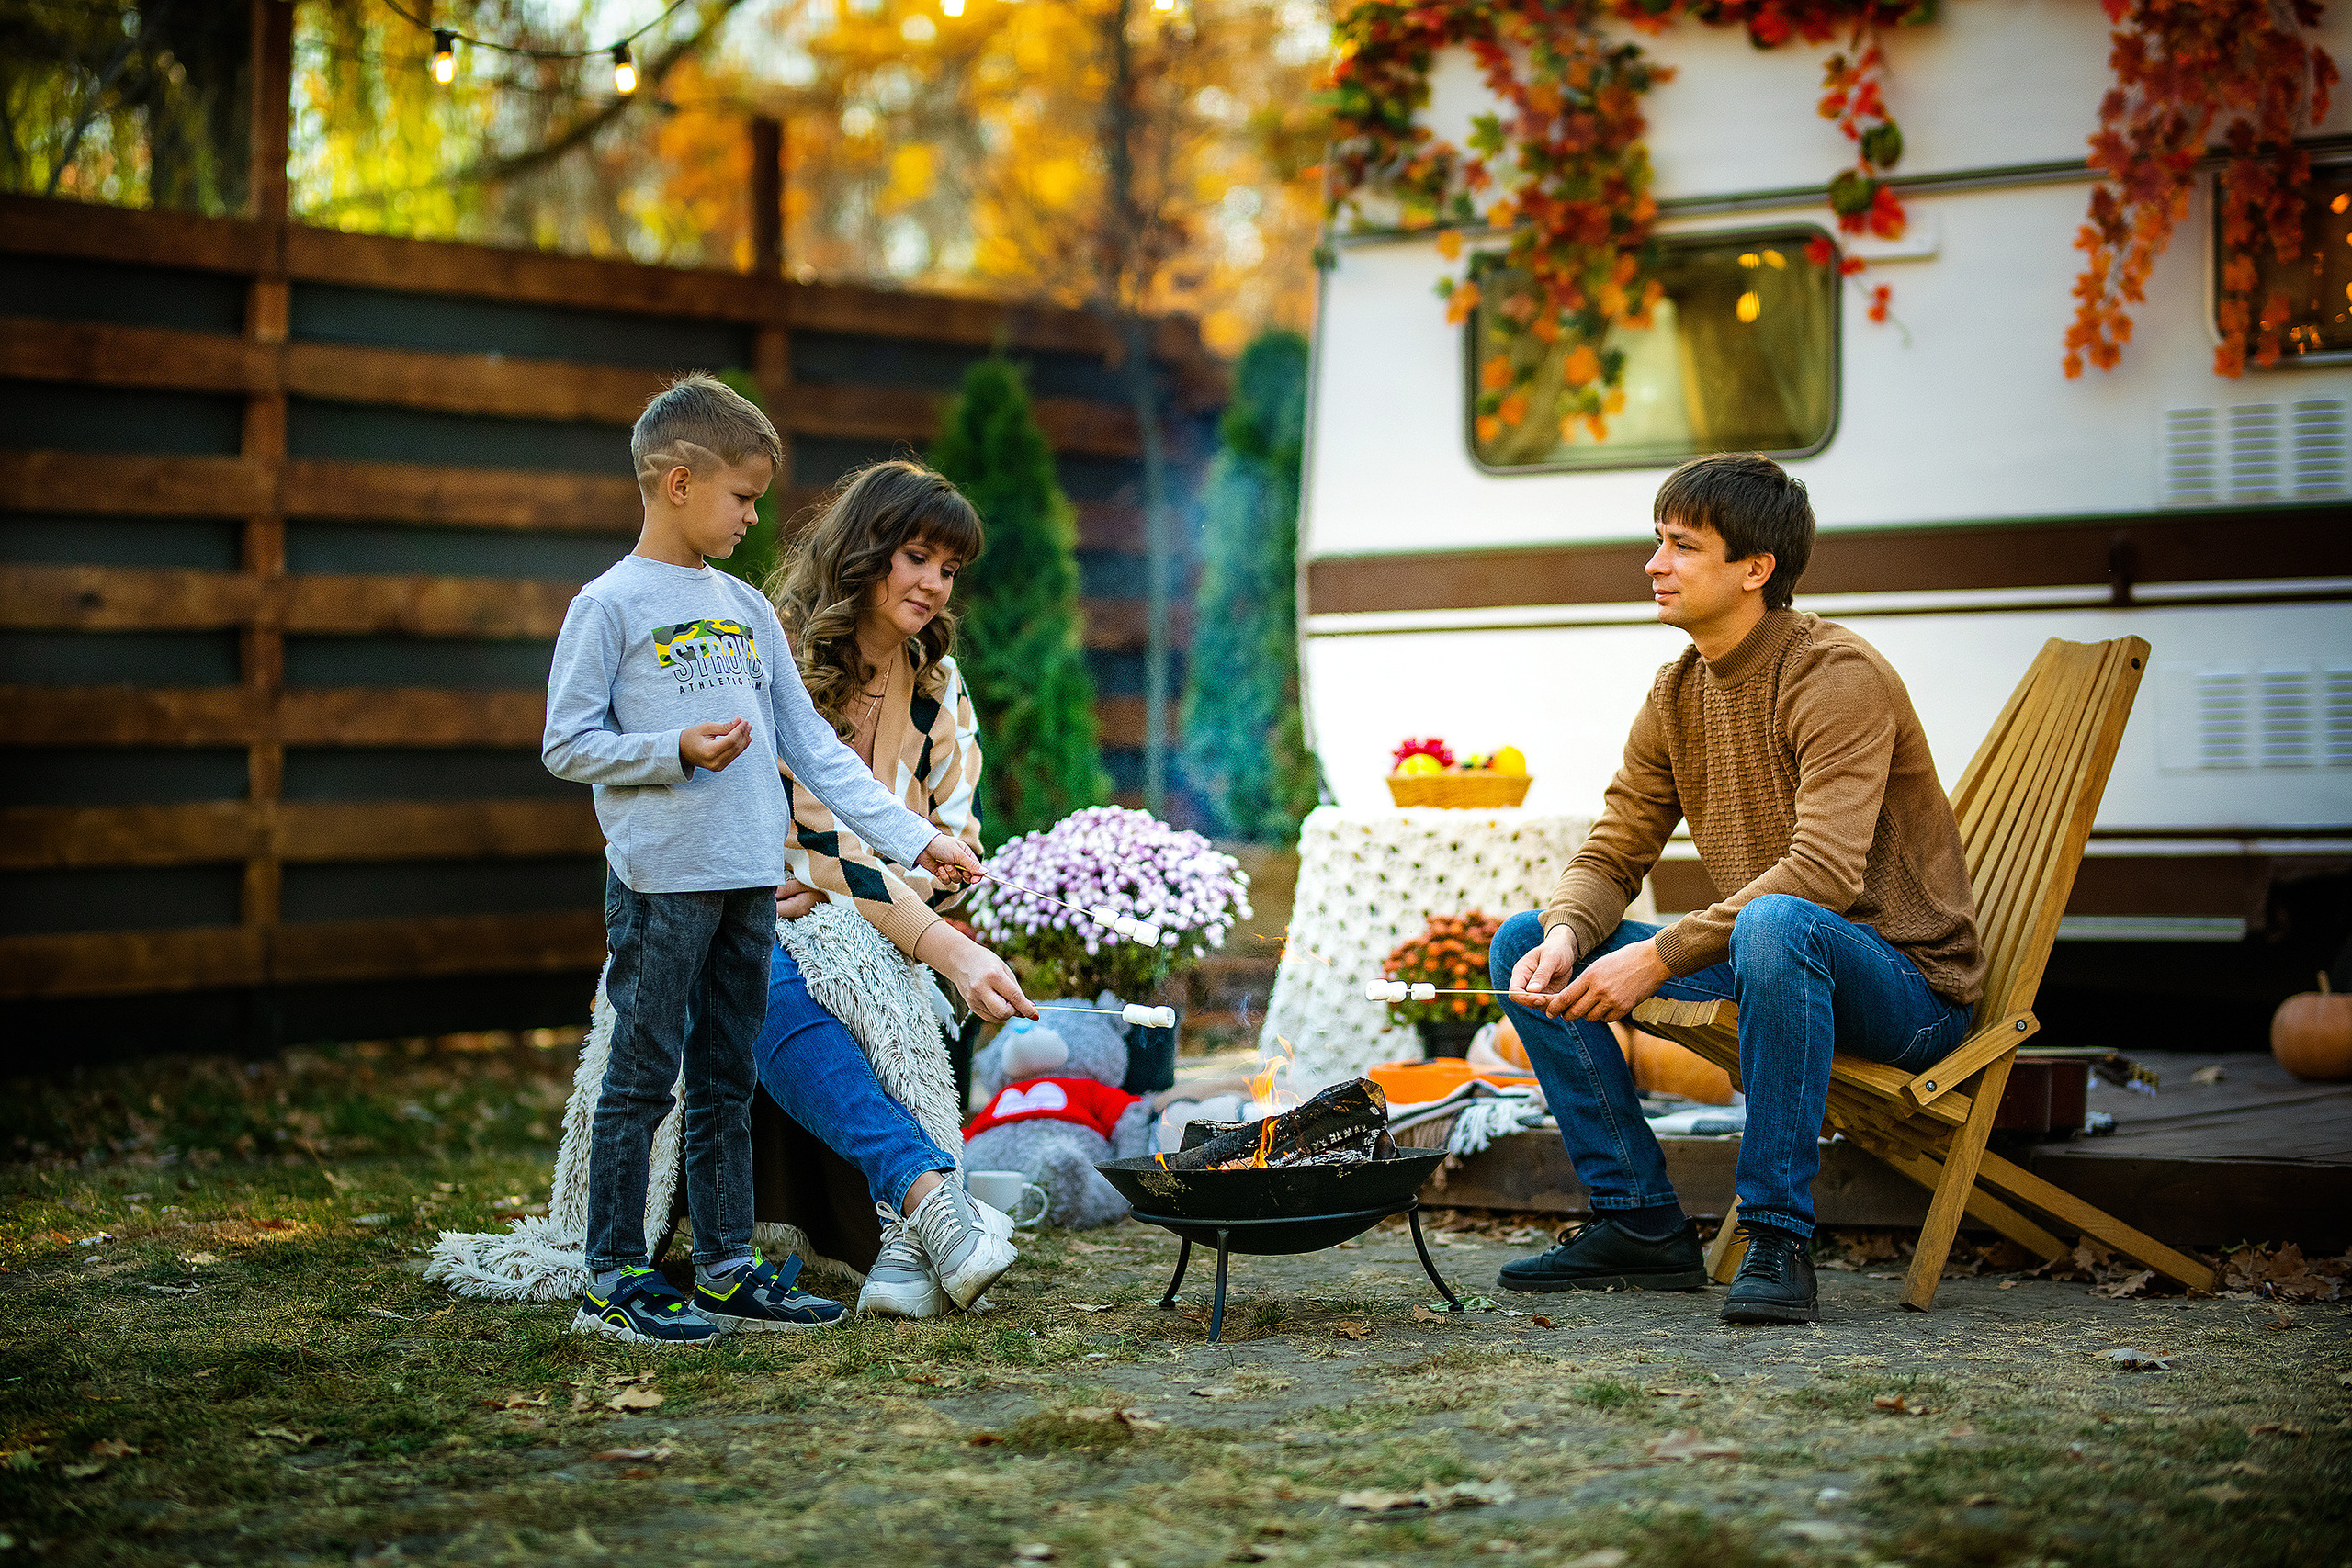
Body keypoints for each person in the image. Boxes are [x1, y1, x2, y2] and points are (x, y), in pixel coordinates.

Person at [1488, 452, 1984, 1325]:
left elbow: (1823, 875)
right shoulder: (1678, 688)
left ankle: (1778, 1236)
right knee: (1523, 940)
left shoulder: (1834, 676)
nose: (1654, 564)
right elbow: (1614, 848)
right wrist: (1568, 931)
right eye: (1657, 542)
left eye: (1682, 546)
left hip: (1911, 992)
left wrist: (1658, 956)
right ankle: (1640, 1220)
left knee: (1777, 922)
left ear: (1756, 569)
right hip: (1778, 955)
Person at [541, 376, 985, 1347]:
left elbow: (817, 753)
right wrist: (671, 754)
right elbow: (566, 744)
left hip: (750, 887)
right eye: (742, 497)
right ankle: (612, 1276)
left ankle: (727, 1269)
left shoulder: (744, 607)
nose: (755, 515)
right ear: (676, 482)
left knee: (727, 1077)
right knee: (643, 1078)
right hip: (661, 887)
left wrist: (922, 839)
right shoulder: (608, 605)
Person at [746, 459, 1038, 1317]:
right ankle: (924, 1196)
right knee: (756, 965)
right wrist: (939, 939)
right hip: (754, 915)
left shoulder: (939, 685)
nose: (935, 585)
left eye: (949, 570)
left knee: (834, 939)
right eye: (917, 557)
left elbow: (959, 844)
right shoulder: (782, 659)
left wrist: (851, 887)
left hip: (861, 924)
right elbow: (813, 828)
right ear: (867, 549)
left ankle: (912, 1229)